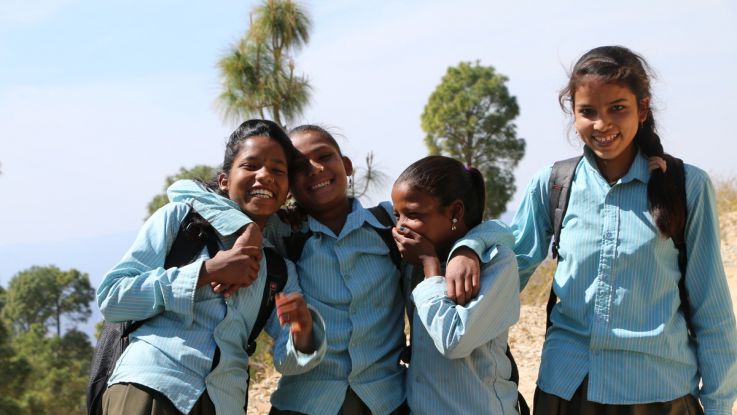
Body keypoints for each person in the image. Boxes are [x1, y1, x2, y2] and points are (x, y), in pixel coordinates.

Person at [168, 124, 494, 415]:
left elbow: (484, 229)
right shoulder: (282, 232)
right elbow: (183, 190)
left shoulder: (389, 224)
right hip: (305, 404)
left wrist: (469, 247)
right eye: (298, 166)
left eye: (324, 156)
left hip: (386, 401)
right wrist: (247, 228)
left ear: (347, 166)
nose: (314, 169)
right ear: (288, 185)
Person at [511, 46, 737, 414]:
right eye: (588, 112)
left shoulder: (686, 186)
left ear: (642, 109)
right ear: (574, 113)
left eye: (617, 108)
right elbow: (508, 269)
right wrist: (470, 250)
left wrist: (718, 403)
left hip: (659, 394)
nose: (602, 125)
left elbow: (712, 309)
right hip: (567, 392)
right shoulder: (552, 184)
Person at [97, 119, 327, 415]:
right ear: (224, 181)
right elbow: (113, 299)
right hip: (152, 388)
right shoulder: (180, 221)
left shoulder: (279, 270)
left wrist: (302, 330)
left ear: (286, 193)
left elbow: (288, 360)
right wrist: (207, 272)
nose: (264, 176)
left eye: (277, 170)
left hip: (223, 402)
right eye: (251, 165)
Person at [391, 155, 521, 414]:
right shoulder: (413, 259)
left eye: (413, 215)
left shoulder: (495, 263)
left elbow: (453, 342)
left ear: (455, 212)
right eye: (397, 215)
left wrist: (431, 265)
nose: (400, 227)